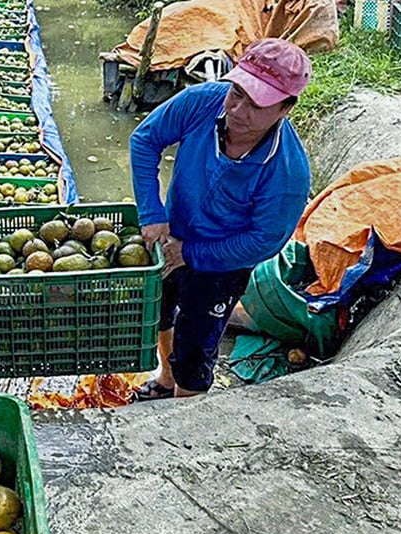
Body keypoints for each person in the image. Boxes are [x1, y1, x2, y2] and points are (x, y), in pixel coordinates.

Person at [127, 38, 313, 401]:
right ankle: (166, 380)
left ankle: (185, 412)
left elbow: (263, 241)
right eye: (237, 92)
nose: (238, 110)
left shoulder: (287, 173)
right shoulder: (203, 101)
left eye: (257, 104)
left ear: (285, 109)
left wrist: (191, 254)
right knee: (159, 311)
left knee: (197, 343)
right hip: (171, 233)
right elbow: (145, 140)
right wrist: (152, 214)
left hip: (223, 262)